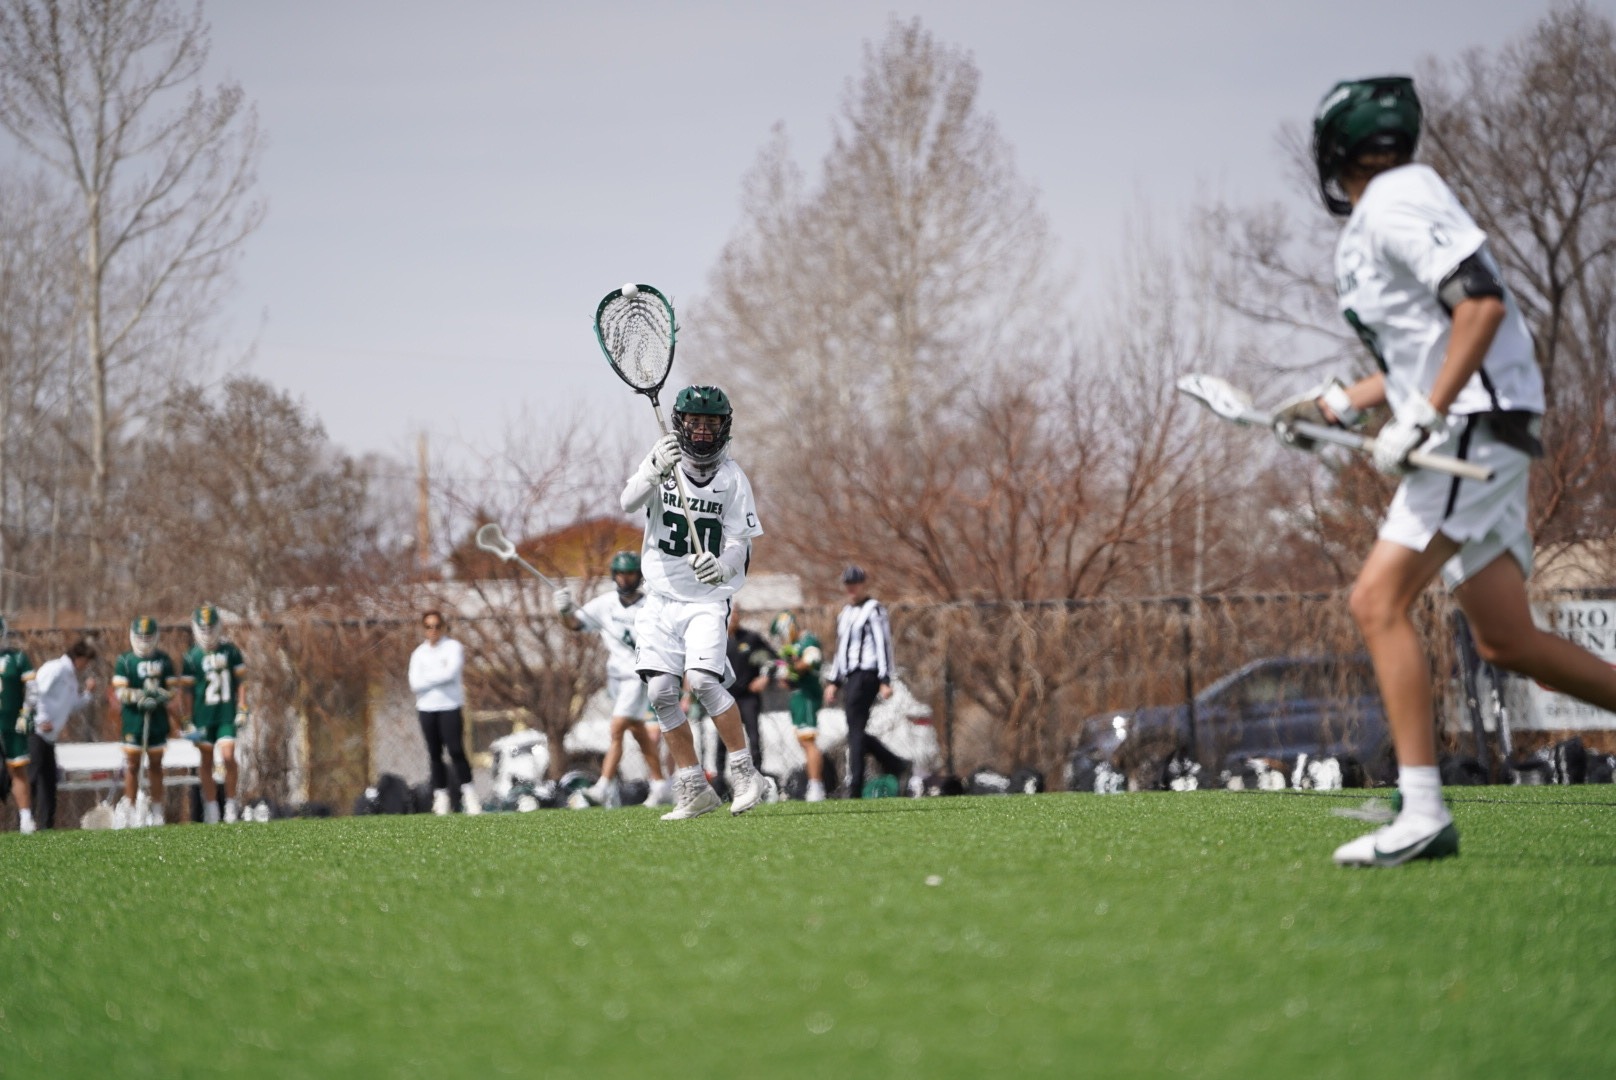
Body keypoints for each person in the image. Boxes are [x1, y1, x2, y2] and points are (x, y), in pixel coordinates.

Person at [1275, 76, 1616, 867]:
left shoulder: (1399, 200)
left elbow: (1480, 306)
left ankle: (1423, 811)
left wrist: (1427, 413)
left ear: (1331, 152)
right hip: (1472, 423)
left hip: (1470, 428)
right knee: (1507, 639)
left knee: (1377, 600)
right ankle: (1420, 804)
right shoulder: (1385, 215)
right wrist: (1340, 406)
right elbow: (1423, 350)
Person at [619, 384, 769, 820]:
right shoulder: (661, 458)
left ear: (724, 427)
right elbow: (628, 502)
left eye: (711, 423)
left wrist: (721, 567)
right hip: (660, 598)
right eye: (695, 421)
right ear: (681, 423)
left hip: (706, 600)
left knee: (702, 681)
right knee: (661, 691)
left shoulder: (732, 478)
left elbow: (740, 541)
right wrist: (653, 470)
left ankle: (745, 773)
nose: (702, 430)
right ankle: (692, 785)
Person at [554, 551, 673, 808]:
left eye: (629, 574)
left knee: (617, 728)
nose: (624, 579)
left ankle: (603, 786)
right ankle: (660, 784)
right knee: (638, 732)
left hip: (637, 675)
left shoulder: (651, 604)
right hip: (616, 676)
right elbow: (574, 624)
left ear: (638, 576)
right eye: (620, 574)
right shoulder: (605, 603)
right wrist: (564, 610)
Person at [824, 565, 908, 798]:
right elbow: (841, 649)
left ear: (863, 585)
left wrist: (885, 678)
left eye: (855, 584)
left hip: (867, 673)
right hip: (851, 676)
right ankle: (894, 763)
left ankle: (856, 784)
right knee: (855, 729)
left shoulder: (873, 610)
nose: (851, 589)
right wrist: (834, 680)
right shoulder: (845, 613)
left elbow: (883, 644)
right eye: (848, 584)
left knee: (855, 728)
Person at [178, 603, 248, 823]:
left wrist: (242, 707)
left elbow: (241, 681)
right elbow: (187, 691)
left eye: (211, 628)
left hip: (225, 713)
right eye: (204, 629)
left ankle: (230, 804)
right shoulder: (192, 656)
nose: (208, 633)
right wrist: (187, 718)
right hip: (203, 716)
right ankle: (211, 807)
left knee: (228, 757)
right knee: (206, 760)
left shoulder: (230, 651)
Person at [111, 616, 181, 828]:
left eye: (148, 636)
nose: (144, 641)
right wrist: (139, 696)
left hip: (157, 719)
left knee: (156, 765)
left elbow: (172, 689)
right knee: (132, 765)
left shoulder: (163, 660)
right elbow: (120, 691)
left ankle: (157, 810)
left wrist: (158, 695)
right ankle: (131, 809)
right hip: (134, 719)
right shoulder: (125, 661)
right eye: (140, 636)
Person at [408, 610, 479, 816]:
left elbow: (450, 674)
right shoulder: (419, 654)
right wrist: (437, 676)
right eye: (428, 626)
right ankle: (441, 797)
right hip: (426, 708)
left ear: (443, 627)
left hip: (449, 706)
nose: (433, 630)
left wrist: (427, 677)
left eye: (437, 626)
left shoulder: (453, 647)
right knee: (434, 753)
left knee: (456, 750)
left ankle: (470, 795)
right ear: (423, 629)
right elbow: (414, 683)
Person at [29, 640, 97, 830]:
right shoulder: (56, 669)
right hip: (36, 733)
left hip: (49, 739)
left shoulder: (71, 679)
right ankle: (26, 822)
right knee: (31, 779)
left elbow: (72, 706)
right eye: (86, 662)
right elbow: (36, 692)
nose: (86, 666)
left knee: (49, 783)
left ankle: (46, 826)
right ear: (79, 658)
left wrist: (88, 693)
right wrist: (39, 720)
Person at [770, 610, 829, 801]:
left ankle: (816, 786)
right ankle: (814, 784)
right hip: (798, 695)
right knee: (803, 741)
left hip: (808, 695)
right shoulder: (793, 645)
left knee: (808, 740)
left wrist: (791, 669)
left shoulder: (807, 640)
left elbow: (811, 660)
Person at [717, 606, 775, 783]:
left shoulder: (751, 638)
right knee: (722, 740)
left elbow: (773, 659)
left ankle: (757, 776)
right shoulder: (716, 640)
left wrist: (765, 677)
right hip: (725, 697)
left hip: (748, 696)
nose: (732, 617)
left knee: (753, 736)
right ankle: (721, 780)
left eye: (735, 613)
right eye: (728, 613)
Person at [0, 618, 37, 833]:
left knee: (18, 768)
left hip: (12, 721)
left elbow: (32, 687)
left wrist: (27, 712)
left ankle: (25, 818)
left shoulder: (17, 657)